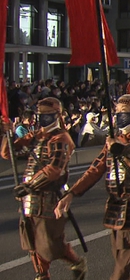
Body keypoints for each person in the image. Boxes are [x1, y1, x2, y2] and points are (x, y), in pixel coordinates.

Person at [55, 94, 130, 280]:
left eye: (126, 113)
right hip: (115, 205)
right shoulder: (114, 139)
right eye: (118, 113)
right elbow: (95, 169)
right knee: (122, 255)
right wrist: (71, 193)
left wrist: (122, 150)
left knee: (125, 267)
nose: (121, 117)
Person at [1, 97, 87, 280]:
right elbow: (8, 152)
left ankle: (76, 262)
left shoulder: (61, 137)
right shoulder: (36, 135)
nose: (44, 119)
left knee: (50, 243)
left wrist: (29, 185)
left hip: (51, 196)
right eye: (41, 115)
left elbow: (55, 169)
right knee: (30, 239)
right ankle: (42, 274)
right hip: (29, 197)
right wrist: (7, 134)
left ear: (57, 115)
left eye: (48, 115)